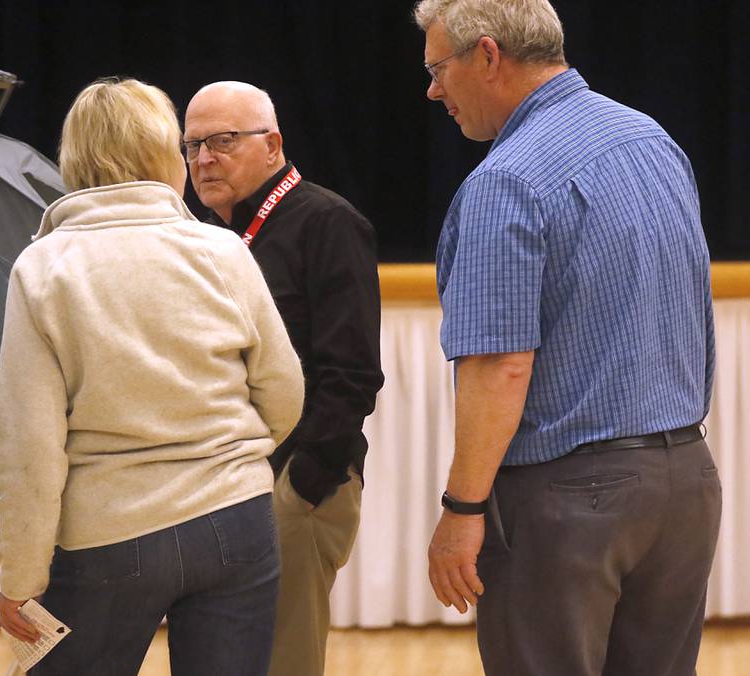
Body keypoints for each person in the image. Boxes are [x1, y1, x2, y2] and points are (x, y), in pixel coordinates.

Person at [414, 1, 721, 675]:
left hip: (569, 502)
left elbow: (501, 367)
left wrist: (462, 508)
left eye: (439, 68)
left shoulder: (506, 180)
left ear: (488, 55)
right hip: (686, 485)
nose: (433, 89)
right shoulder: (651, 140)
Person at [0, 77, 304, 676]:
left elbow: (29, 447)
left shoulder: (43, 268)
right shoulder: (222, 250)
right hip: (237, 521)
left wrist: (23, 578)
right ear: (167, 153)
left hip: (108, 536)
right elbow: (285, 394)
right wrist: (232, 457)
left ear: (74, 160)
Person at [184, 81, 384, 676]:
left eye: (222, 140)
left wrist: (299, 487)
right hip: (211, 485)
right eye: (192, 144)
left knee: (281, 663)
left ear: (272, 144)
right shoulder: (204, 237)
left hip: (291, 485)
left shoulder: (327, 223)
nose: (204, 159)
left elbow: (351, 375)